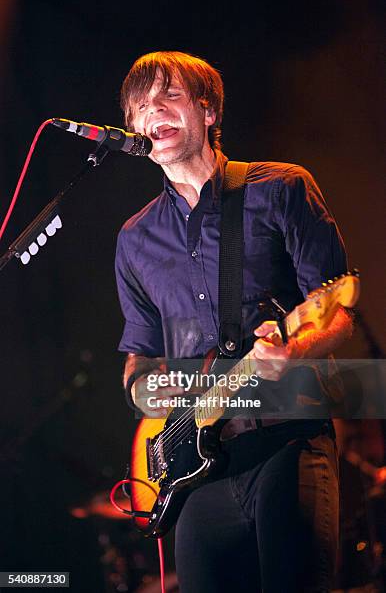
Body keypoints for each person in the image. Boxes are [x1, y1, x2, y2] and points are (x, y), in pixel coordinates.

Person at [115, 51, 353, 592]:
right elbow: (139, 358)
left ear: (208, 110)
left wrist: (295, 350)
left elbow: (338, 310)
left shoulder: (282, 187)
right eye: (142, 105)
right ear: (132, 129)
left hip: (287, 437)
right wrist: (150, 393)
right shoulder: (134, 239)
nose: (155, 110)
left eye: (170, 95)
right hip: (196, 473)